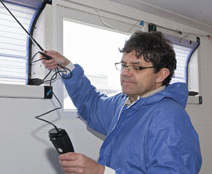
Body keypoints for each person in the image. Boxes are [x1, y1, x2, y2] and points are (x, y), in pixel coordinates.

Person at [42, 31, 202, 174]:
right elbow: (92, 105)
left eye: (137, 68)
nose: (126, 73)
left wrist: (100, 172)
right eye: (124, 65)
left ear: (161, 75)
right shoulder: (123, 104)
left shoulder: (171, 117)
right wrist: (66, 66)